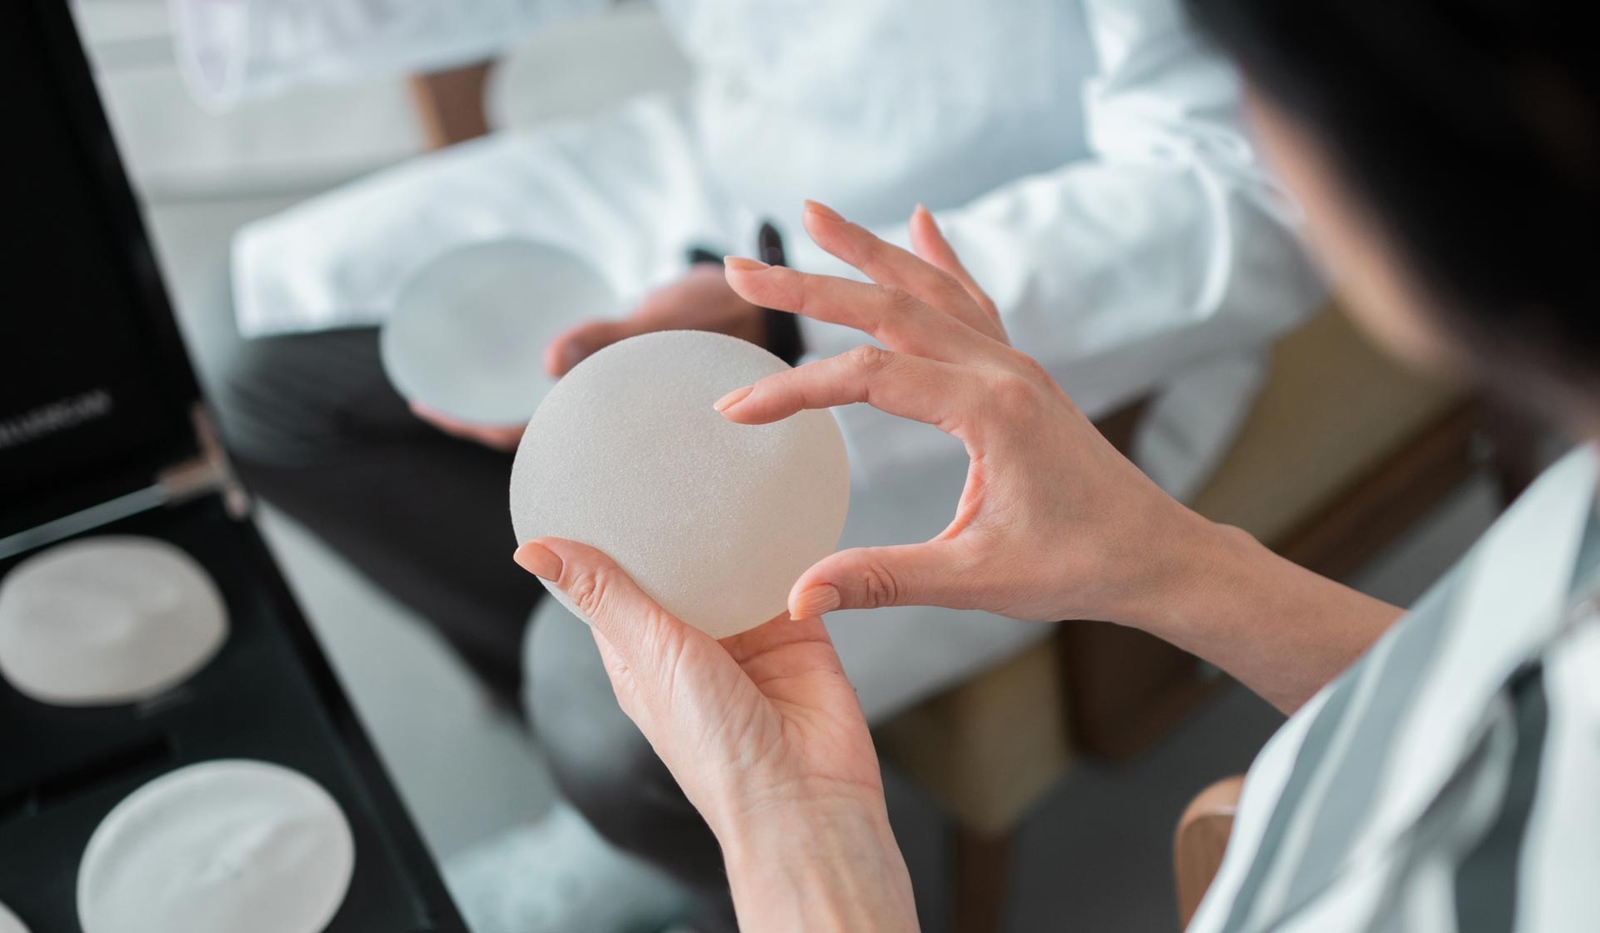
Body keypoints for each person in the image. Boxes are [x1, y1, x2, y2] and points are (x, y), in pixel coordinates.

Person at [180, 0, 1319, 924]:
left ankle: (650, 832)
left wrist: (793, 324)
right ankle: (555, 681)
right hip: (732, 164)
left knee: (606, 702)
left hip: (1036, 309)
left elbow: (1236, 190)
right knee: (254, 376)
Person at [509, 0, 1600, 928]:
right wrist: (1170, 564)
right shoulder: (1564, 543)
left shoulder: (1418, 884)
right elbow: (1502, 707)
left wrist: (795, 844)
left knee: (590, 695)